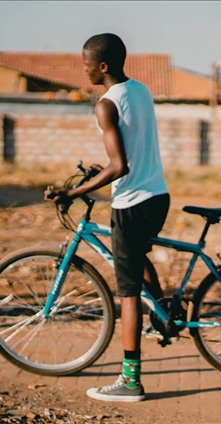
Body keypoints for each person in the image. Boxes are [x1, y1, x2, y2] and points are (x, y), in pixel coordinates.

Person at [44, 33, 170, 402]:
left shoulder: (105, 104)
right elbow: (133, 149)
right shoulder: (141, 90)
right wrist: (104, 172)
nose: (82, 70)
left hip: (131, 203)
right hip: (157, 195)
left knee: (127, 293)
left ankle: (131, 381)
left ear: (102, 66)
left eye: (85, 64)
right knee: (136, 259)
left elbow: (119, 165)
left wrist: (73, 192)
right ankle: (162, 315)